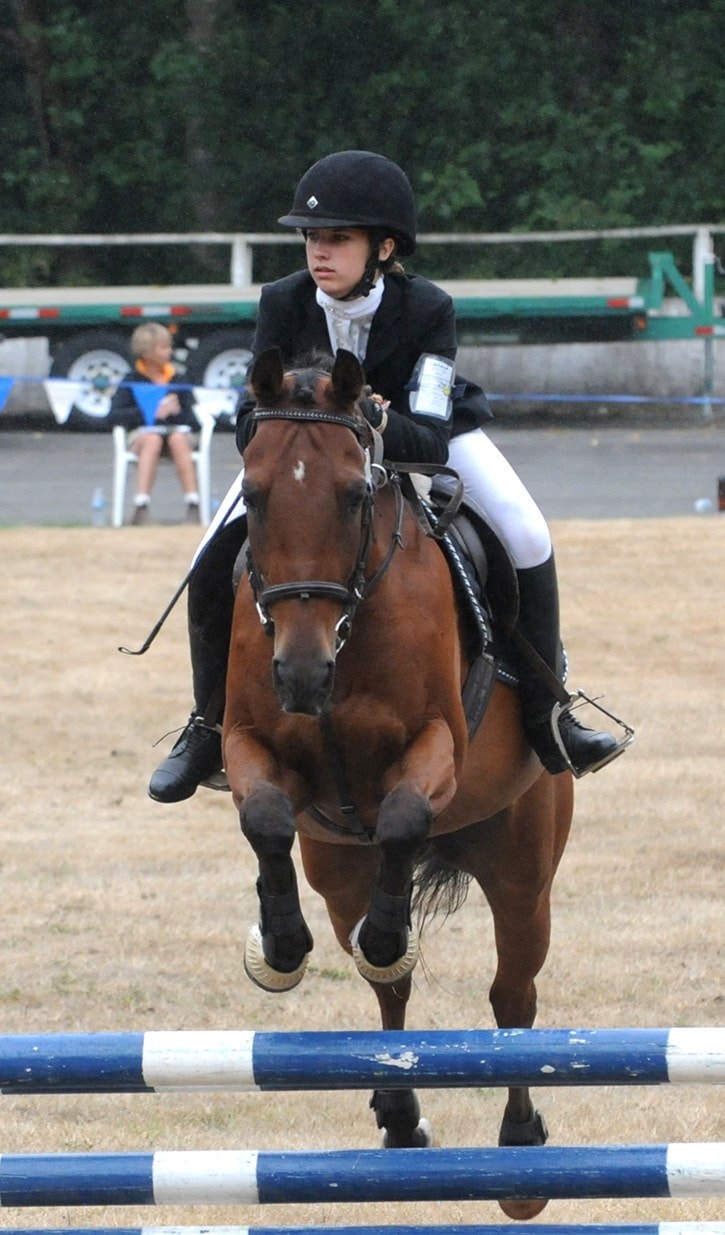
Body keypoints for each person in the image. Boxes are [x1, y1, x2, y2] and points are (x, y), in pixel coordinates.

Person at [148, 150, 624, 803]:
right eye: (312, 237)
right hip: (308, 459)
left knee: (525, 531)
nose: (319, 251)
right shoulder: (281, 301)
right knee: (210, 556)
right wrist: (286, 430)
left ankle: (549, 712)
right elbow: (246, 418)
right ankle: (205, 724)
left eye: (337, 238)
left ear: (384, 245)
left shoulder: (427, 307)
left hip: (429, 439)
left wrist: (369, 418)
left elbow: (427, 435)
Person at [109, 322, 202, 525]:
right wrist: (149, 413)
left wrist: (177, 413)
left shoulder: (177, 379)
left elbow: (194, 418)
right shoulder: (132, 379)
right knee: (152, 439)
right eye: (163, 347)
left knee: (178, 439)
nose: (169, 352)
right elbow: (115, 415)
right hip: (143, 437)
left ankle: (193, 505)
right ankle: (140, 507)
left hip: (177, 433)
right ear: (147, 352)